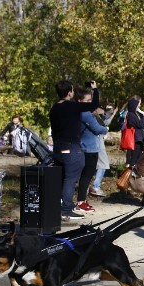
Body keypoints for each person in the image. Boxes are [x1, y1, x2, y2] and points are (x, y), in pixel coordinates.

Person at [49, 79, 100, 221]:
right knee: (70, 179)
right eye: (72, 90)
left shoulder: (54, 107)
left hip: (58, 148)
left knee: (62, 178)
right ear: (69, 92)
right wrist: (94, 90)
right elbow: (94, 105)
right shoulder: (72, 106)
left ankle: (58, 206)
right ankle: (66, 209)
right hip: (71, 147)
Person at [74, 88, 110, 213]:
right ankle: (81, 202)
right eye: (88, 100)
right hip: (89, 149)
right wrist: (106, 129)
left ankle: (79, 200)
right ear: (79, 100)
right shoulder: (85, 114)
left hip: (82, 146)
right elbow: (97, 129)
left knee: (81, 176)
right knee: (86, 176)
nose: (91, 103)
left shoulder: (76, 112)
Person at [90, 104, 116, 197]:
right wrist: (104, 130)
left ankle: (89, 186)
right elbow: (103, 127)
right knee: (104, 164)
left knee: (93, 165)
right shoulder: (93, 116)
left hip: (94, 142)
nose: (104, 110)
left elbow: (106, 122)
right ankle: (96, 186)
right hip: (97, 142)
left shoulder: (94, 116)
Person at [124, 96, 144, 168]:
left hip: (138, 138)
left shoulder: (134, 114)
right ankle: (129, 174)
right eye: (139, 103)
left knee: (137, 157)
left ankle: (132, 172)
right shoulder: (131, 115)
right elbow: (140, 125)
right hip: (135, 139)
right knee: (134, 158)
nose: (139, 105)